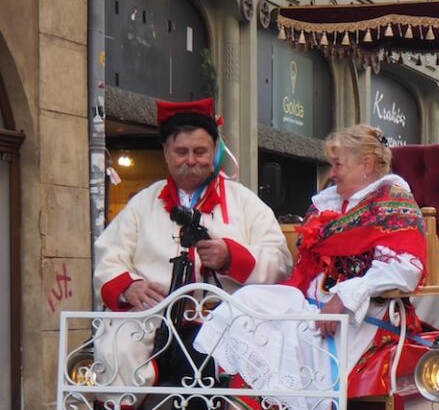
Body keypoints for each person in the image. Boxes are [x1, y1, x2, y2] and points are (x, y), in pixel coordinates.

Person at [194, 124, 427, 410]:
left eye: (338, 164)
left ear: (366, 165)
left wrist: (345, 297)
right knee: (249, 303)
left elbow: (404, 269)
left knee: (294, 336)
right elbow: (305, 269)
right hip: (313, 305)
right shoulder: (328, 204)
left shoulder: (393, 202)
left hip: (364, 315)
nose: (332, 173)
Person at [93, 97, 292, 392]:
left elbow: (281, 261)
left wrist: (230, 258)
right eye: (181, 151)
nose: (191, 159)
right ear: (166, 153)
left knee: (211, 365)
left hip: (226, 322)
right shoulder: (143, 203)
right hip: (150, 320)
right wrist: (129, 286)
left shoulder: (244, 202)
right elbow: (109, 256)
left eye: (200, 151)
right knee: (118, 349)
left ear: (214, 151)